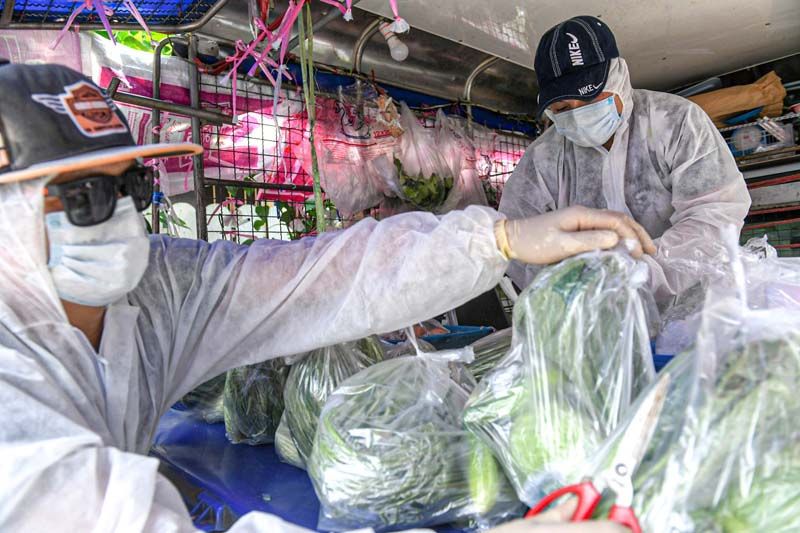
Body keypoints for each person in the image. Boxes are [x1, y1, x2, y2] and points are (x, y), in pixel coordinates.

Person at [0, 63, 652, 532]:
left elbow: (315, 276)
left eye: (131, 188)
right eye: (86, 197)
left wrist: (497, 239)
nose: (122, 217)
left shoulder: (157, 289)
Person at [499, 16, 751, 305]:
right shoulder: (543, 158)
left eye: (590, 98)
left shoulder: (676, 122)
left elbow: (715, 215)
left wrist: (637, 274)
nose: (579, 114)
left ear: (618, 76)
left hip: (693, 308)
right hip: (596, 313)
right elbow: (520, 244)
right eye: (564, 107)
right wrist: (574, 294)